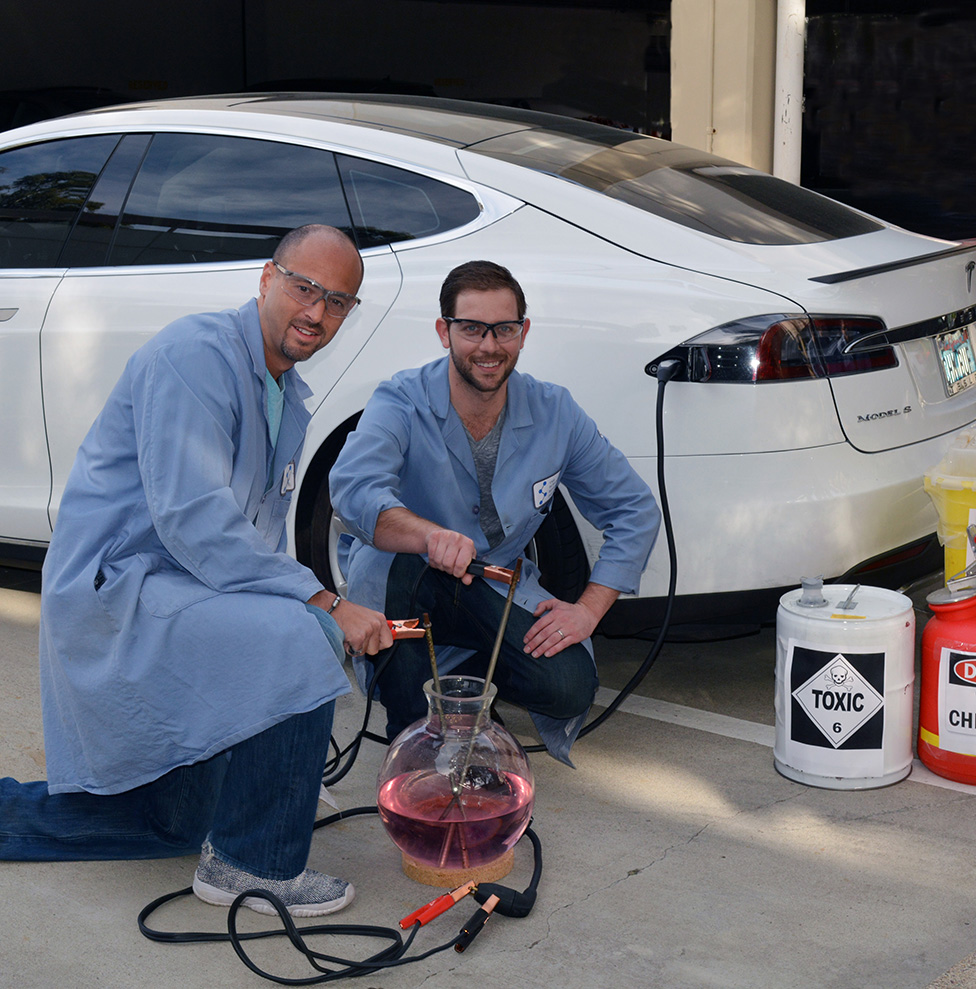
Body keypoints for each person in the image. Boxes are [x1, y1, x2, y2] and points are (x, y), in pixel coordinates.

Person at [0, 224, 393, 917]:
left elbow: (255, 532)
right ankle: (251, 866)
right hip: (120, 586)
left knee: (171, 822)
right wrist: (326, 601)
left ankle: (241, 807)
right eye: (305, 288)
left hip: (179, 581)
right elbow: (193, 519)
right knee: (296, 637)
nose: (317, 313)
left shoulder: (280, 387)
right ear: (267, 279)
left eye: (338, 302)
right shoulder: (196, 355)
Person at [329, 260, 660, 764]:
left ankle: (461, 691)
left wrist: (588, 610)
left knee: (568, 687)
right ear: (444, 331)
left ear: (523, 333)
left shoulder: (556, 412)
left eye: (504, 329)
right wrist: (427, 536)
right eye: (471, 328)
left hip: (493, 584)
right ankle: (414, 736)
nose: (489, 345)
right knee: (396, 572)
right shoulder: (401, 398)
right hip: (408, 577)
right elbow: (353, 488)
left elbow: (634, 509)